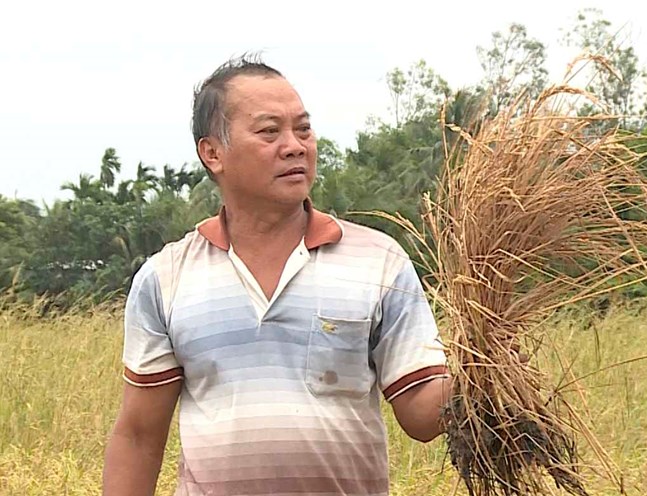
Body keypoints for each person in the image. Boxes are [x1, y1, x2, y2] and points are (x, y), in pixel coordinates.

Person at [102, 55, 453, 496]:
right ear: (213, 153)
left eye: (303, 129)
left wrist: (487, 370)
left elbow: (421, 416)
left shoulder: (379, 262)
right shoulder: (166, 278)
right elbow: (138, 435)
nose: (295, 146)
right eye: (270, 132)